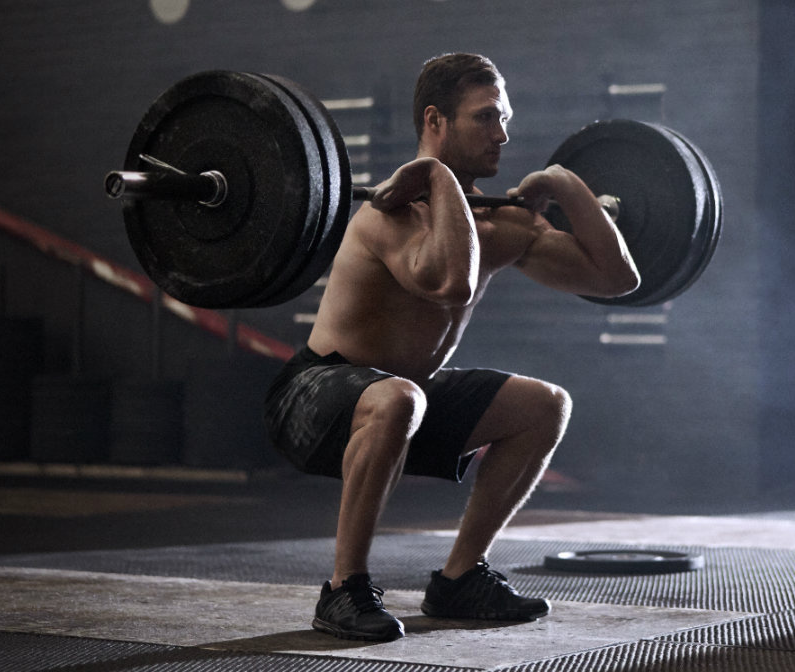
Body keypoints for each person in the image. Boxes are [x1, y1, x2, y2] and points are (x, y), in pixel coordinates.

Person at [264, 53, 640, 642]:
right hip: (317, 394)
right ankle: (343, 588)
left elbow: (618, 279)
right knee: (399, 399)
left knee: (545, 405)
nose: (503, 133)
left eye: (505, 117)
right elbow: (449, 283)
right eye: (485, 117)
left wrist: (567, 183)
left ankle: (460, 578)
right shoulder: (388, 215)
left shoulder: (505, 225)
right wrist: (436, 178)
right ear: (435, 121)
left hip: (404, 396)